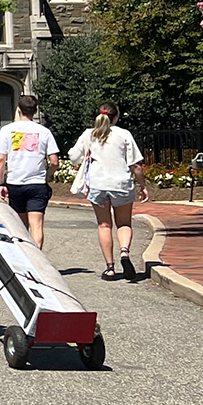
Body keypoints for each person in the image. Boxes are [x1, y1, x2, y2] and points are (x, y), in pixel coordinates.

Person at [69, 104, 150, 280]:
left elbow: (74, 155)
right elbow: (135, 165)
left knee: (104, 225)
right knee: (124, 223)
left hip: (98, 184)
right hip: (120, 184)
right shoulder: (124, 134)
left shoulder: (89, 134)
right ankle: (124, 253)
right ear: (116, 117)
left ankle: (110, 268)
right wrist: (143, 185)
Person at [0, 96, 61, 250]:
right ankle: (36, 261)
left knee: (20, 226)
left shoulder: (7, 130)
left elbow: (0, 159)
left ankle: (24, 259)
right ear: (36, 111)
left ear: (18, 110)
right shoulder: (44, 132)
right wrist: (47, 175)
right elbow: (54, 161)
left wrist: (0, 182)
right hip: (37, 183)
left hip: (15, 182)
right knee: (36, 225)